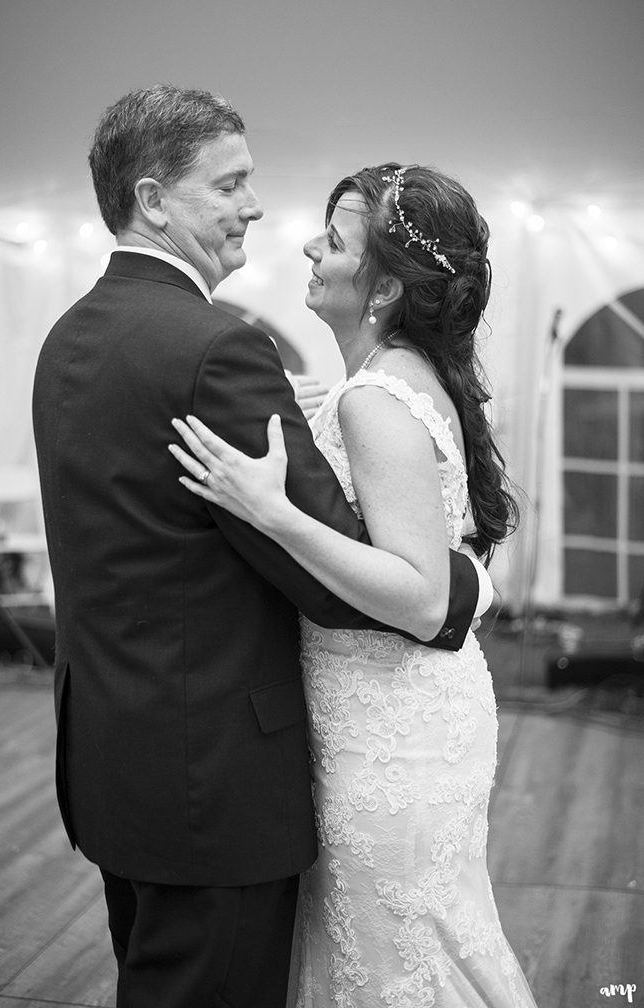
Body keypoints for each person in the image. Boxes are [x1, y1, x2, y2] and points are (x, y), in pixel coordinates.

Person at [31, 86, 490, 1008]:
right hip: (215, 779)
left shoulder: (68, 336)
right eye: (231, 184)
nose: (257, 206)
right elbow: (333, 584)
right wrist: (469, 582)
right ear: (154, 199)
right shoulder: (215, 351)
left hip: (114, 756)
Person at [171, 163, 537, 1006]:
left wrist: (274, 514)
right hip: (392, 712)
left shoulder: (378, 397)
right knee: (401, 943)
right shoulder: (387, 380)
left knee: (398, 957)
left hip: (390, 729)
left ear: (380, 288)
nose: (307, 245)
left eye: (332, 240)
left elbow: (417, 596)